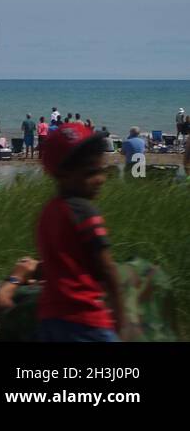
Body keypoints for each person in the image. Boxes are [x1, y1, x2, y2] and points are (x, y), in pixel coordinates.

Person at [35, 123, 126, 341]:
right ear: (64, 175)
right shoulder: (83, 209)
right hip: (86, 320)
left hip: (49, 319)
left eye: (101, 170)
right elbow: (107, 268)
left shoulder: (48, 211)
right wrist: (122, 318)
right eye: (91, 172)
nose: (100, 179)